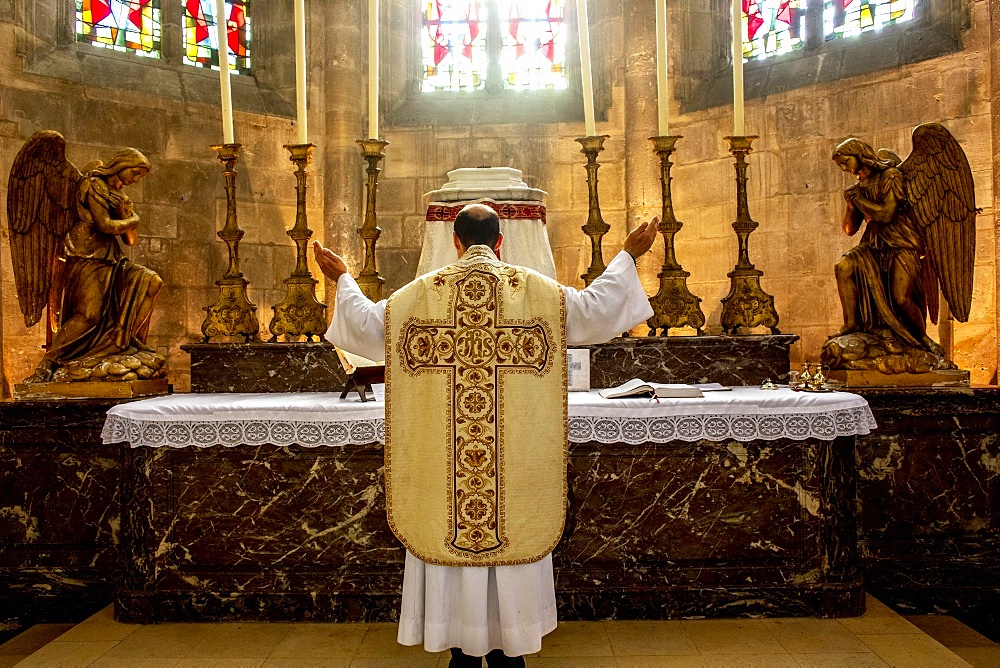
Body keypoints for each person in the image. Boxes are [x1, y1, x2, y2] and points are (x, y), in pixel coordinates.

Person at [314, 204, 657, 667]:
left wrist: (342, 278)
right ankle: (509, 647)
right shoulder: (535, 292)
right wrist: (629, 255)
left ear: (454, 242)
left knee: (447, 527)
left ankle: (459, 647)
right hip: (511, 470)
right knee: (515, 526)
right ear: (501, 242)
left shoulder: (422, 295)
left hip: (449, 472)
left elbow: (369, 328)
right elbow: (595, 311)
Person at [831, 139, 941, 354]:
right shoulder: (857, 188)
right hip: (873, 243)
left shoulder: (890, 176)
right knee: (843, 266)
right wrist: (851, 205)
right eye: (840, 166)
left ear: (860, 155)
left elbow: (886, 214)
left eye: (846, 162)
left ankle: (921, 338)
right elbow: (849, 229)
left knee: (901, 298)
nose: (845, 168)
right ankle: (851, 322)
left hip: (901, 242)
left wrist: (859, 200)